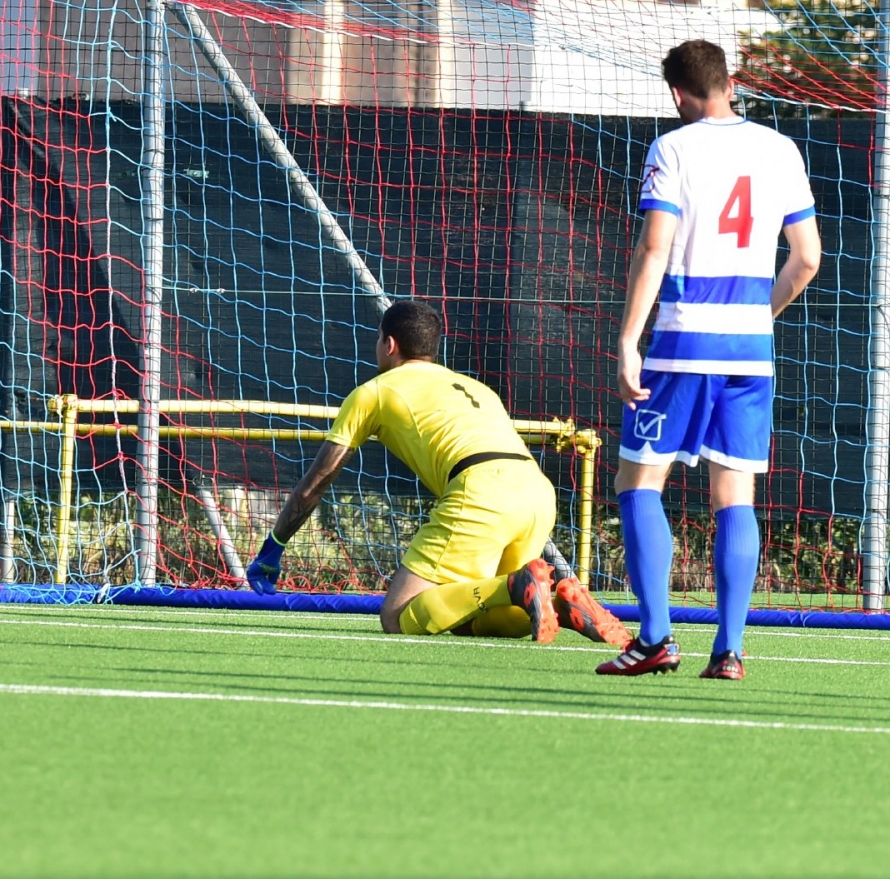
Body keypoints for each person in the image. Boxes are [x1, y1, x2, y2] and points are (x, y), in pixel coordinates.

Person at [603, 39, 821, 681]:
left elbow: (653, 246)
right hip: (751, 351)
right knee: (736, 497)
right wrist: (759, 317)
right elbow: (806, 257)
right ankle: (728, 651)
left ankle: (655, 638)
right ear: (730, 83)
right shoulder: (781, 149)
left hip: (682, 341)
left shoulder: (673, 147)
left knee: (638, 483)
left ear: (677, 94)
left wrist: (626, 341)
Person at [245, 300, 630, 647]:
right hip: (536, 492)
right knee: (467, 611)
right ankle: (560, 601)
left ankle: (519, 583)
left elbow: (319, 479)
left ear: (390, 344)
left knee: (398, 617)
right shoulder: (475, 387)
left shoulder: (374, 391)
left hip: (481, 491)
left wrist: (274, 546)